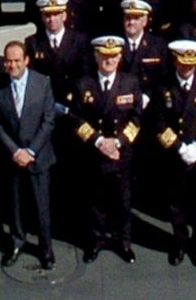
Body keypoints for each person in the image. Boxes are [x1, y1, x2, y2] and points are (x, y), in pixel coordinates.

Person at [67, 34, 142, 264]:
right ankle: (96, 240)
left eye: (113, 56)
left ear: (120, 58)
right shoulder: (83, 84)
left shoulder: (130, 83)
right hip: (95, 153)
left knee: (122, 201)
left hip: (121, 154)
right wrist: (99, 141)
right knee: (95, 200)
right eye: (104, 56)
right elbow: (76, 119)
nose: (108, 61)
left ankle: (123, 242)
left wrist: (117, 142)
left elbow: (136, 118)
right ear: (96, 56)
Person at [0, 39, 56, 270]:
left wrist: (31, 151)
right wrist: (15, 151)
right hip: (12, 157)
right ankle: (17, 241)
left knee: (41, 206)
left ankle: (46, 249)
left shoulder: (43, 82)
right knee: (15, 205)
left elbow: (48, 121)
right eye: (8, 61)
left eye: (17, 60)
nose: (12, 65)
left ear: (27, 60)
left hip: (38, 156)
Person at [153, 38, 196, 266]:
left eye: (191, 64)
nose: (186, 68)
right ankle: (179, 242)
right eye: (183, 64)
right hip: (175, 154)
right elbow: (159, 123)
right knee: (176, 203)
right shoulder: (163, 85)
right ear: (175, 61)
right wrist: (180, 147)